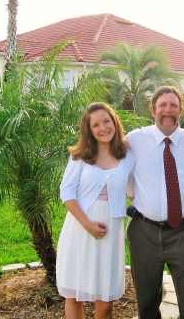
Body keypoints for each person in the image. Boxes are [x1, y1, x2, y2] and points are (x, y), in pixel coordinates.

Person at [125, 86, 184, 319]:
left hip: (181, 232)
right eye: (162, 105)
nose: (167, 110)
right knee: (147, 300)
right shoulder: (135, 139)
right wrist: (132, 191)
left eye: (173, 105)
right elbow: (117, 167)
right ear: (153, 110)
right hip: (143, 232)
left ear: (180, 110)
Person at [56, 102, 135, 319]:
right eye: (96, 125)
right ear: (89, 130)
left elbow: (133, 189)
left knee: (105, 301)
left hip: (111, 231)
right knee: (74, 295)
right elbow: (67, 193)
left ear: (114, 122)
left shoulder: (127, 155)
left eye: (106, 121)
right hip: (80, 228)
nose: (103, 128)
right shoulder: (80, 156)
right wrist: (87, 224)